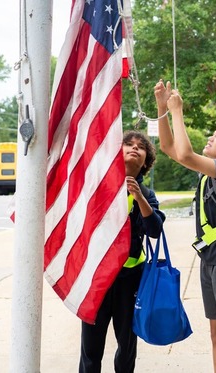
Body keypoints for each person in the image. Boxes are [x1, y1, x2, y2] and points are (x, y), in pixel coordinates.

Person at [154, 79, 216, 373]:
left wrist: (178, 111)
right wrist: (163, 109)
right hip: (211, 260)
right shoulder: (208, 172)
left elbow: (184, 153)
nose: (210, 138)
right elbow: (170, 148)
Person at [79, 130, 165, 373]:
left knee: (127, 344)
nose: (134, 148)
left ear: (146, 161)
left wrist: (139, 197)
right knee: (90, 347)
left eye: (141, 146)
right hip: (98, 277)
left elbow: (155, 230)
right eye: (128, 144)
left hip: (130, 278)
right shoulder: (98, 183)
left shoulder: (146, 194)